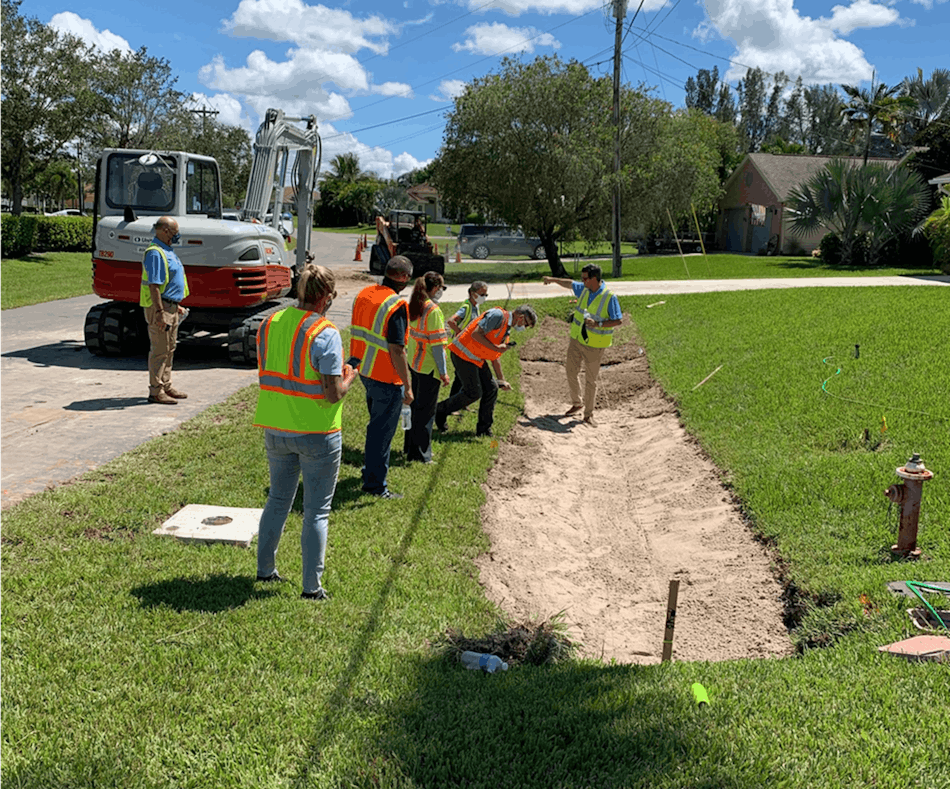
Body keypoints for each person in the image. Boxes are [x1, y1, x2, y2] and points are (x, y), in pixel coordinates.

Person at [252, 264, 359, 601]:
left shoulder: (270, 323)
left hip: (275, 427)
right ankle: (311, 587)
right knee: (316, 511)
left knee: (278, 501)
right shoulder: (325, 333)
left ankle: (265, 569)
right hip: (317, 431)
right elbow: (333, 393)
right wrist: (350, 376)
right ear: (325, 297)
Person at [348, 255, 414, 499]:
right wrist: (407, 386)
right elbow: (397, 349)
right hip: (386, 377)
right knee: (381, 434)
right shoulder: (395, 305)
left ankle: (370, 474)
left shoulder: (364, 293)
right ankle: (376, 486)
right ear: (405, 278)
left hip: (363, 370)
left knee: (375, 428)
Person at [435, 304, 537, 438]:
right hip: (462, 354)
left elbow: (495, 356)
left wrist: (501, 379)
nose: (524, 327)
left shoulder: (506, 328)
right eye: (526, 324)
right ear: (521, 317)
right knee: (473, 393)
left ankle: (484, 430)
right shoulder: (498, 316)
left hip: (475, 358)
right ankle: (439, 410)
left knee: (492, 388)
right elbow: (476, 334)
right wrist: (496, 348)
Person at [542, 263, 623, 427]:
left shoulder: (609, 297)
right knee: (571, 371)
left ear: (594, 278)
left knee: (590, 380)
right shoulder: (585, 289)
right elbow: (569, 283)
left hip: (595, 344)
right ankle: (577, 403)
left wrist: (598, 324)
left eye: (585, 278)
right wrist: (552, 280)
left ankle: (588, 414)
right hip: (577, 339)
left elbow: (618, 320)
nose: (582, 281)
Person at [403, 272, 451, 464]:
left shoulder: (415, 306)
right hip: (429, 368)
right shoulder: (433, 311)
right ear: (435, 288)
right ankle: (422, 455)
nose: (442, 292)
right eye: (442, 288)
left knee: (414, 409)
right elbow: (438, 347)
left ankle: (409, 448)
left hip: (414, 364)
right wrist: (444, 372)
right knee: (425, 414)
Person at [141, 216, 189, 405]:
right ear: (163, 231)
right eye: (174, 231)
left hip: (171, 306)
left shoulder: (167, 250)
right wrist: (161, 312)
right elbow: (154, 285)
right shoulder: (155, 253)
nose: (177, 235)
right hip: (160, 308)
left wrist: (175, 305)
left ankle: (166, 385)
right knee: (160, 350)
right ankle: (155, 391)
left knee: (170, 349)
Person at [445, 280, 489, 402]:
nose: (484, 297)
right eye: (482, 295)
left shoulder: (475, 307)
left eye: (486, 295)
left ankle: (461, 401)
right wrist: (461, 334)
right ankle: (454, 401)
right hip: (462, 347)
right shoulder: (466, 307)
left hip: (469, 348)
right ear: (472, 293)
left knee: (461, 377)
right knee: (461, 377)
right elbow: (451, 321)